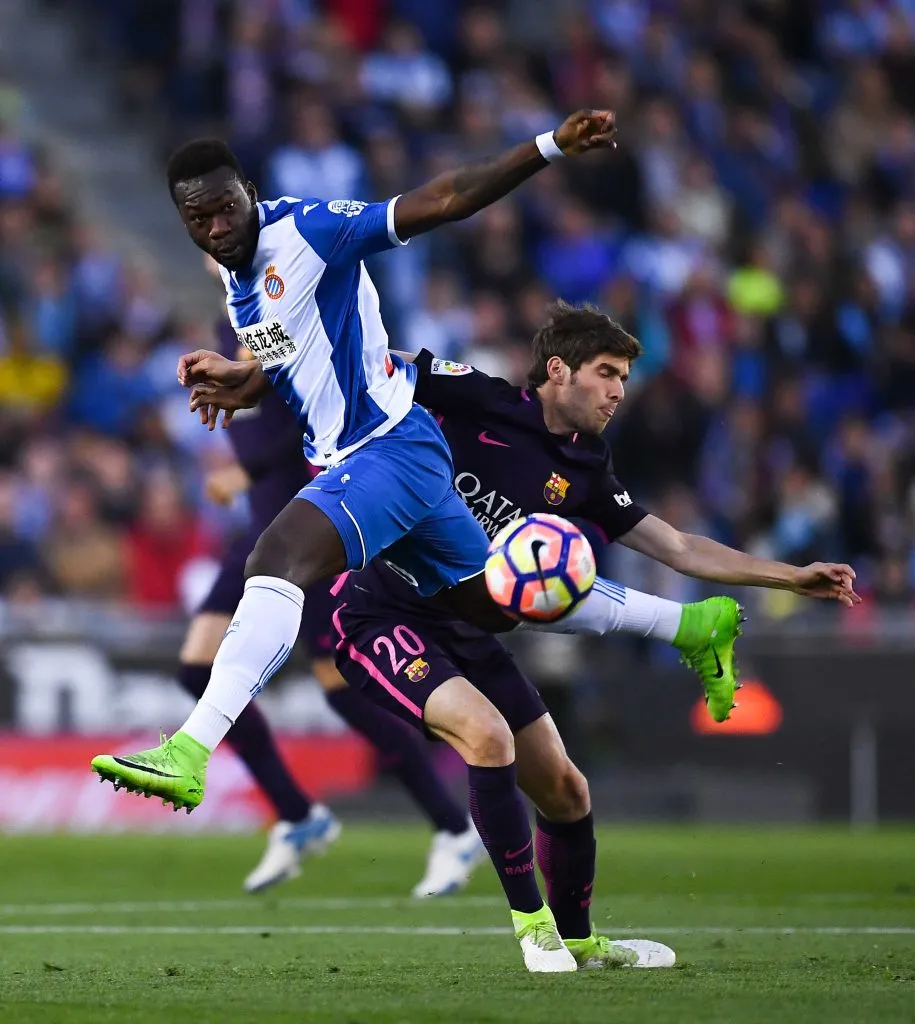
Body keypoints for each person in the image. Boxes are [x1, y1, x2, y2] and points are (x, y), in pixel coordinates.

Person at [178, 302, 860, 972]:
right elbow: (362, 364)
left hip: (472, 633)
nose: (618, 390)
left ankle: (581, 942)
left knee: (566, 790)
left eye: (623, 376)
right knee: (488, 738)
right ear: (558, 371)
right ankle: (532, 930)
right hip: (382, 615)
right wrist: (251, 377)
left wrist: (786, 577)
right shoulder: (478, 397)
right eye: (606, 372)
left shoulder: (586, 467)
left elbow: (678, 545)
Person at [91, 113, 619, 808]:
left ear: (250, 192)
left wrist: (548, 147)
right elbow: (290, 355)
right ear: (182, 220)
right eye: (200, 217)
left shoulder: (306, 228)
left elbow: (443, 198)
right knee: (493, 602)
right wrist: (243, 381)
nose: (217, 226)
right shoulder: (236, 272)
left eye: (227, 207)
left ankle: (189, 750)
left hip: (384, 449)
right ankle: (678, 624)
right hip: (397, 461)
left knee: (272, 562)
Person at [179, 323, 484, 897]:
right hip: (258, 530)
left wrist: (248, 468)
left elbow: (318, 416)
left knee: (341, 684)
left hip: (306, 527)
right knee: (196, 667)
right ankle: (297, 815)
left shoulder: (279, 314)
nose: (214, 235)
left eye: (223, 225)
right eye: (199, 227)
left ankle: (452, 826)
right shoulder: (231, 323)